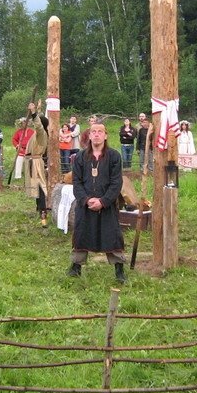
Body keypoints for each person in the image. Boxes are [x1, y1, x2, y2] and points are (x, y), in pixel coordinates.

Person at [68, 121, 126, 283]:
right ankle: (76, 267)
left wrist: (104, 201)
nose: (97, 134)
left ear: (105, 135)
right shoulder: (80, 156)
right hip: (85, 205)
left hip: (107, 205)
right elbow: (77, 181)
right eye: (94, 131)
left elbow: (116, 183)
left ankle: (119, 270)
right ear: (89, 135)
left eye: (100, 131)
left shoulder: (114, 156)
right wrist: (86, 200)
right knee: (81, 234)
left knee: (112, 235)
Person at [23, 102, 49, 226]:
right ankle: (39, 208)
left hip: (36, 161)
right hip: (31, 161)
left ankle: (43, 210)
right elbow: (40, 120)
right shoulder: (38, 133)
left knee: (39, 186)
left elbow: (38, 124)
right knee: (34, 186)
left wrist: (33, 112)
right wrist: (37, 109)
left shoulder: (41, 133)